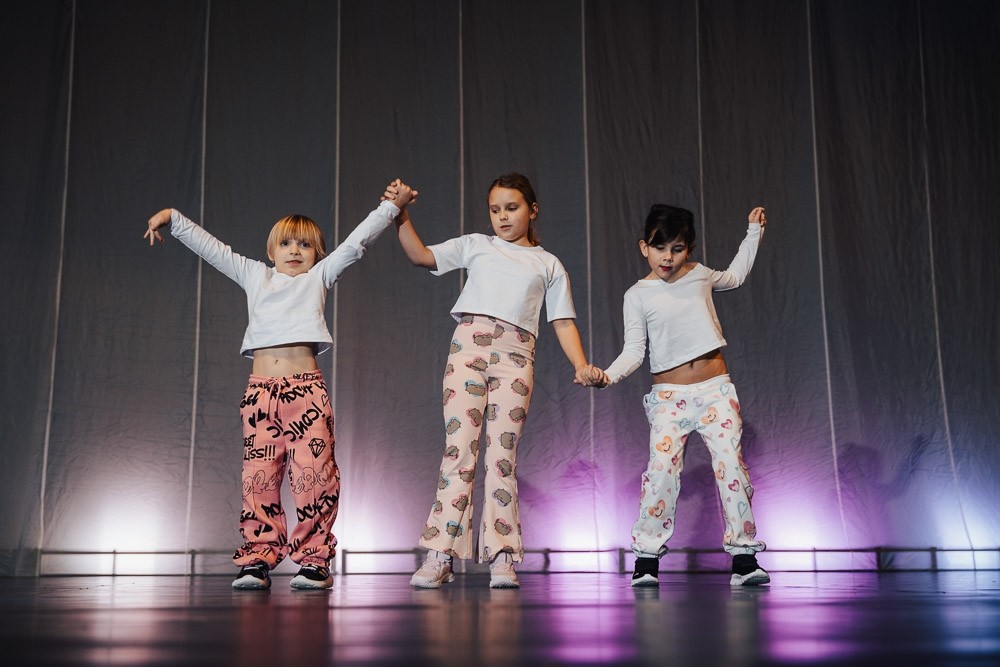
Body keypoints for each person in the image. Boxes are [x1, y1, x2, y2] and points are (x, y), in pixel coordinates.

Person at [144, 179, 417, 590]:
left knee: (315, 476)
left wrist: (391, 208)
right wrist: (172, 218)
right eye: (286, 244)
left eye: (305, 245)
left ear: (317, 254)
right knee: (259, 477)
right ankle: (258, 557)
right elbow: (213, 250)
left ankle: (314, 559)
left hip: (306, 393)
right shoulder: (255, 275)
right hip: (261, 395)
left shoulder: (319, 277)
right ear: (271, 251)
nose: (295, 251)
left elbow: (357, 243)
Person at [389, 173, 602, 589]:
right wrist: (400, 214)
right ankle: (440, 553)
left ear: (532, 210)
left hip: (516, 357)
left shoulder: (548, 263)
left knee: (501, 457)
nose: (503, 217)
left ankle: (502, 555)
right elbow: (421, 256)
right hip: (468, 349)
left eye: (512, 208)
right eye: (495, 209)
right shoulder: (477, 244)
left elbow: (562, 320)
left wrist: (580, 364)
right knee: (459, 451)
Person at [600, 203, 770, 587]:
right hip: (669, 398)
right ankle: (646, 559)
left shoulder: (700, 275)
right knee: (661, 472)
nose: (668, 257)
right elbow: (634, 351)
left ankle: (744, 558)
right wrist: (606, 377)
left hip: (715, 391)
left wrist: (753, 231)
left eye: (677, 249)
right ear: (644, 247)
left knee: (731, 468)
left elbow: (736, 276)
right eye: (660, 248)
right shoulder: (637, 295)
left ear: (688, 249)